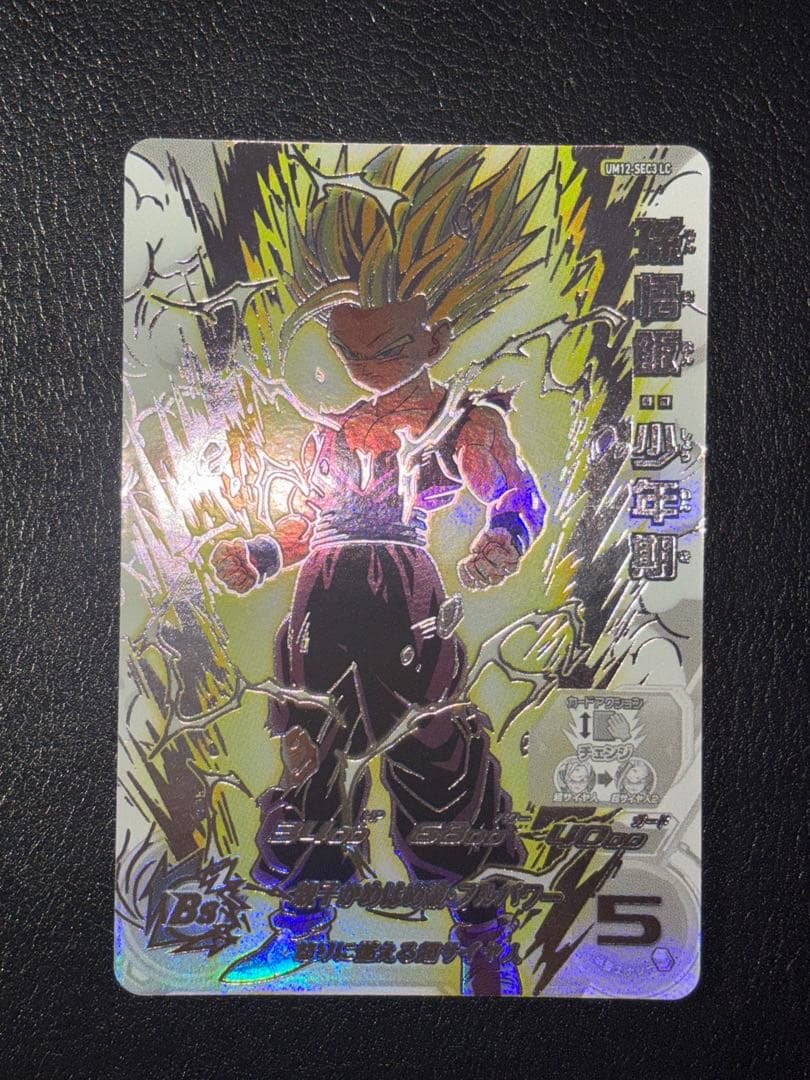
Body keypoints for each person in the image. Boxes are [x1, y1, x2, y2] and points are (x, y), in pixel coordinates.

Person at [211, 147, 547, 995]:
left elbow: (515, 494)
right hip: (319, 601)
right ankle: (300, 928)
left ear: (435, 337)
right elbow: (308, 519)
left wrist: (502, 538)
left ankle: (483, 936)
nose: (368, 370)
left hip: (404, 597)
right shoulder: (326, 426)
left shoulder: (464, 419)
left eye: (390, 347)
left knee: (437, 756)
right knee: (307, 755)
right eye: (350, 348)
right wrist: (261, 554)